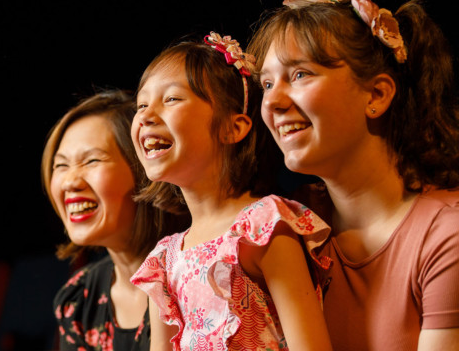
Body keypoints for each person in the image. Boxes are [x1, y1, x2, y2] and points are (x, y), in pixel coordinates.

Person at [249, 0, 459, 350]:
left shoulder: (446, 236)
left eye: (299, 74)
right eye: (266, 84)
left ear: (376, 95)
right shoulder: (285, 227)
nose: (273, 103)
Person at [129, 32, 333, 351]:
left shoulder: (262, 227)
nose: (146, 116)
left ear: (232, 127)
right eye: (141, 104)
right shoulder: (164, 260)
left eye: (171, 99)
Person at [41, 89, 190, 351]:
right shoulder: (79, 299)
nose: (70, 182)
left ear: (144, 168)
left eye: (92, 160)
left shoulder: (202, 273)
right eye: (60, 165)